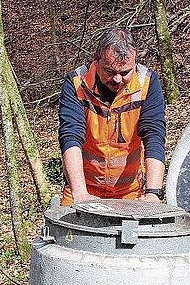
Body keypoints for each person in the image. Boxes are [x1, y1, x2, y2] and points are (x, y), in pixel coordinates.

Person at [58, 28, 167, 205]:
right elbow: (70, 135)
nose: (117, 80)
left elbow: (154, 136)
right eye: (110, 71)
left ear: (135, 61)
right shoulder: (77, 82)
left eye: (125, 73)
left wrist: (153, 193)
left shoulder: (147, 83)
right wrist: (80, 193)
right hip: (82, 189)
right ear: (96, 59)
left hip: (130, 192)